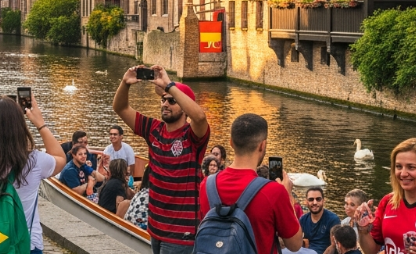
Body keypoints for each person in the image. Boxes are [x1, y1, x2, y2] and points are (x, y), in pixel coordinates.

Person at [113, 65, 210, 254]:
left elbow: (199, 117)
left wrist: (168, 84)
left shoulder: (193, 137)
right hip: (155, 227)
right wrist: (125, 83)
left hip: (181, 232)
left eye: (172, 101)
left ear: (185, 106)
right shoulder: (153, 129)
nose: (165, 103)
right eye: (163, 100)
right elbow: (120, 107)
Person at [0, 95, 66, 254]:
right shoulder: (35, 161)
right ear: (20, 127)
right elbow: (61, 158)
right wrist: (40, 124)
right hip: (26, 245)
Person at [198, 113, 303, 254]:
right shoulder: (274, 192)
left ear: (231, 142)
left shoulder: (206, 185)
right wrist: (288, 196)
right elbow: (295, 244)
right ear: (262, 145)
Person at [300, 187, 341, 254]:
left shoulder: (333, 219)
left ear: (323, 201)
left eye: (318, 199)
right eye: (311, 199)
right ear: (306, 202)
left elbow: (334, 246)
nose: (315, 202)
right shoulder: (303, 219)